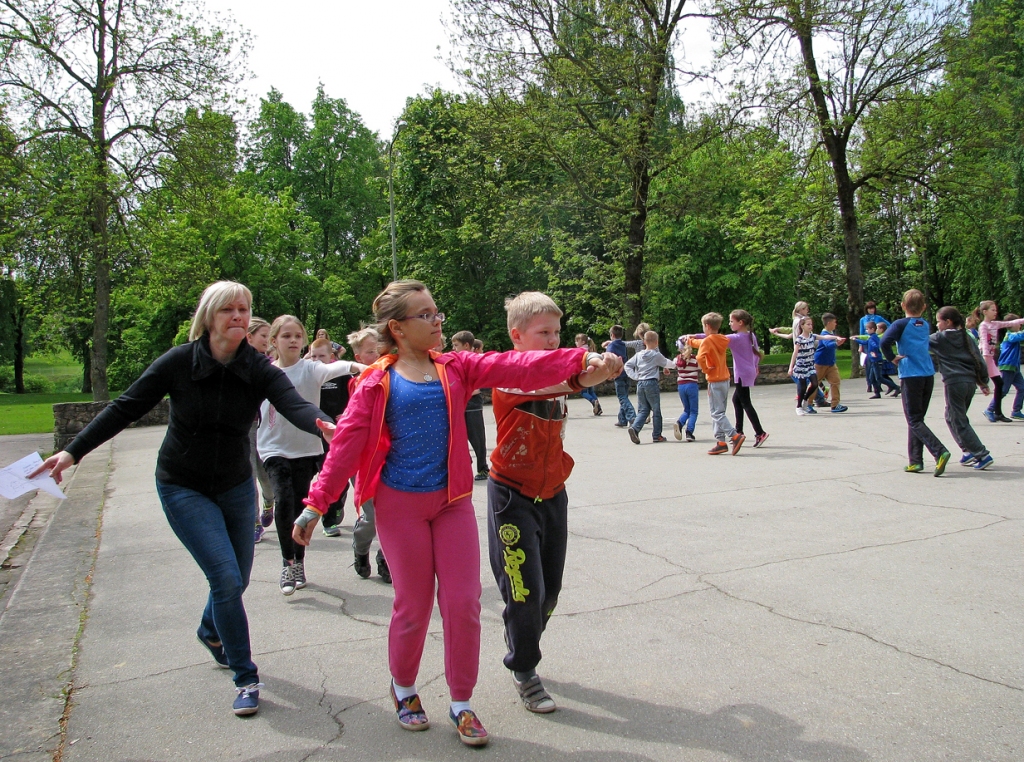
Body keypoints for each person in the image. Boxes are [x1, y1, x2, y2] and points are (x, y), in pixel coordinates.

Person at [292, 280, 619, 747]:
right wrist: (315, 504)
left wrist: (579, 360)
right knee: (414, 605)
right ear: (397, 328)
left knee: (464, 605)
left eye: (437, 312)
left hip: (452, 504)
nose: (437, 321)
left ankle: (462, 702)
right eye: (425, 315)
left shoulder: (456, 367)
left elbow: (517, 364)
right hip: (401, 508)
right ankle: (404, 688)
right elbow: (345, 446)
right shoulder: (377, 381)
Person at [30, 281, 338, 717]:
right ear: (209, 316)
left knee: (236, 581)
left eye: (244, 308)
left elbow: (293, 403)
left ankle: (210, 630)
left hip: (235, 485)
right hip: (183, 485)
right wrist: (72, 452)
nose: (238, 316)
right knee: (226, 580)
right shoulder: (179, 361)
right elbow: (125, 406)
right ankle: (245, 676)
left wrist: (323, 424)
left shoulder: (257, 366)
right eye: (228, 309)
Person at [486, 291, 622, 715]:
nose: (552, 340)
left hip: (552, 494)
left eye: (556, 332)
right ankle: (524, 667)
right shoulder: (509, 374)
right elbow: (569, 377)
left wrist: (603, 364)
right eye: (543, 332)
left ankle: (520, 636)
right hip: (512, 495)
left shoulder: (557, 365)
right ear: (516, 336)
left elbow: (573, 372)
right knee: (525, 593)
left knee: (549, 595)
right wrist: (590, 365)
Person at [257, 316, 363, 595]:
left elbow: (338, 367)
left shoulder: (311, 368)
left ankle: (299, 561)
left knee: (299, 507)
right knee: (284, 500)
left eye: (297, 336)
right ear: (274, 341)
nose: (293, 340)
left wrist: (363, 367)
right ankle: (288, 562)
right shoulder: (264, 372)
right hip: (272, 448)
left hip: (305, 449)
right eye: (286, 336)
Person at [880, 289, 951, 475]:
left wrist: (892, 358)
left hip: (911, 375)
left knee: (913, 419)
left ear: (903, 305)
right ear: (924, 307)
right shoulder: (925, 324)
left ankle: (939, 451)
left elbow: (884, 342)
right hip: (927, 374)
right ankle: (915, 461)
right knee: (917, 419)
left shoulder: (900, 324)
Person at [345, 326, 391, 583]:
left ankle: (386, 558)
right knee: (372, 516)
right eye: (370, 352)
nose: (377, 356)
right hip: (364, 460)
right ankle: (361, 548)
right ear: (358, 358)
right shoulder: (359, 382)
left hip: (392, 457)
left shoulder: (396, 375)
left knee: (393, 513)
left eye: (379, 350)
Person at [930, 306, 994, 470]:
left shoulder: (940, 338)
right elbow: (979, 360)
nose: (937, 325)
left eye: (938, 321)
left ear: (948, 322)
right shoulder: (967, 337)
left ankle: (982, 454)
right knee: (951, 416)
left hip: (954, 383)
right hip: (970, 383)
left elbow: (918, 342)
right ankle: (967, 451)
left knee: (959, 420)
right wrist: (983, 382)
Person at [308, 338, 351, 537]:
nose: (317, 360)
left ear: (331, 356)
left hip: (336, 432)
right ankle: (328, 520)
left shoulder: (341, 374)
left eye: (321, 356)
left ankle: (338, 503)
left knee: (338, 478)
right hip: (313, 431)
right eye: (313, 356)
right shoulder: (307, 374)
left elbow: (354, 396)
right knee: (323, 475)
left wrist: (347, 412)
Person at [685, 313, 744, 455]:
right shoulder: (722, 338)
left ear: (707, 326)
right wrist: (690, 341)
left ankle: (734, 435)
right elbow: (703, 343)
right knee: (720, 411)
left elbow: (700, 356)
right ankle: (720, 442)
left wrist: (706, 369)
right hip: (725, 379)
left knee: (716, 413)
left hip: (714, 380)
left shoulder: (708, 341)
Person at [770, 317, 838, 415]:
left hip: (810, 366)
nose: (810, 326)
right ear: (802, 326)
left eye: (811, 324)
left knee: (815, 384)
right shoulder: (799, 339)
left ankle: (805, 401)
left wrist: (836, 338)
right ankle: (799, 407)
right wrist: (790, 367)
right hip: (801, 366)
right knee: (802, 387)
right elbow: (795, 353)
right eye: (808, 324)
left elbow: (825, 337)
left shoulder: (812, 336)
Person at [246, 317, 276, 543]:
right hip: (246, 426)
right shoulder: (239, 362)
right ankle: (254, 521)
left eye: (269, 335)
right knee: (249, 473)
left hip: (266, 426)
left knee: (265, 474)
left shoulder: (270, 364)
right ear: (249, 337)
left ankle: (269, 499)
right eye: (263, 335)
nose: (267, 340)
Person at [973, 301, 1024, 422]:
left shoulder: (995, 324)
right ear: (985, 312)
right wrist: (986, 359)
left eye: (996, 310)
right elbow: (984, 342)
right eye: (993, 310)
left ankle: (1010, 411)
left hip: (1008, 365)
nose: (995, 312)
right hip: (997, 362)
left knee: (1011, 387)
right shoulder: (986, 327)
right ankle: (990, 409)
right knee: (1002, 388)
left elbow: (1011, 322)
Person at [725, 310, 768, 446]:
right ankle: (739, 432)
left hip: (742, 374)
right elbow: (756, 353)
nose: (729, 323)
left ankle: (760, 432)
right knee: (736, 400)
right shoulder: (750, 335)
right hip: (748, 371)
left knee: (746, 403)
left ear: (740, 322)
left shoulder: (736, 338)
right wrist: (755, 366)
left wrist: (693, 336)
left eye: (731, 321)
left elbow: (713, 338)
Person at [624, 330, 674, 443]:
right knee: (656, 410)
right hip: (651, 383)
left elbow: (627, 365)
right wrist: (677, 364)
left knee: (643, 409)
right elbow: (667, 363)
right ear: (657, 342)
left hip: (640, 383)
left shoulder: (638, 355)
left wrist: (635, 376)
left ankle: (635, 428)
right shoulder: (656, 355)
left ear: (644, 342)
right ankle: (657, 435)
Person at [452, 330, 489, 480]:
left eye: (456, 345)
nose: (453, 348)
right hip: (460, 406)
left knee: (477, 439)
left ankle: (483, 469)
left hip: (473, 405)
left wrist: (464, 391)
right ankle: (464, 468)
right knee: (459, 441)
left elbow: (479, 386)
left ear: (466, 345)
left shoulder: (475, 361)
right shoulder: (456, 362)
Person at [853, 321, 899, 398]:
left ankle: (896, 387)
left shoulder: (874, 337)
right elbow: (865, 342)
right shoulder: (871, 337)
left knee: (879, 378)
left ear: (872, 329)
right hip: (873, 360)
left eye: (867, 329)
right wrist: (856, 340)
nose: (866, 330)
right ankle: (877, 393)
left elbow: (876, 345)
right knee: (872, 378)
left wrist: (874, 352)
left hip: (877, 360)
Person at [812, 313, 848, 413]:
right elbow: (828, 345)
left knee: (835, 382)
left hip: (831, 363)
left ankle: (835, 405)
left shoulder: (831, 334)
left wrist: (836, 341)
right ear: (829, 323)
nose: (836, 324)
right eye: (834, 322)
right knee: (814, 384)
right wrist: (836, 343)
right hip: (820, 363)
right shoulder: (824, 334)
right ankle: (807, 404)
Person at [605, 325, 636, 427]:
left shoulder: (611, 346)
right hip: (626, 372)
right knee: (624, 396)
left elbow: (608, 359)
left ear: (612, 335)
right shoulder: (623, 344)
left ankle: (632, 416)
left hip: (618, 374)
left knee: (622, 397)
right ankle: (622, 419)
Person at [995, 316, 1024, 421]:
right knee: (1003, 390)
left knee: (1022, 388)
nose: (1020, 325)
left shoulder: (1015, 335)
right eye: (1018, 323)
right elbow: (1018, 336)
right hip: (1007, 366)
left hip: (1014, 368)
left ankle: (1016, 411)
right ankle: (990, 409)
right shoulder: (1009, 335)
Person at [859, 301, 890, 388]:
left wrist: (883, 335)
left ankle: (877, 385)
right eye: (869, 308)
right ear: (866, 309)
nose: (871, 310)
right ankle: (869, 384)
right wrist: (860, 346)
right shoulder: (863, 319)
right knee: (868, 364)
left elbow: (888, 325)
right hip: (866, 343)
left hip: (875, 341)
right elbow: (861, 332)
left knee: (875, 362)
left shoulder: (878, 318)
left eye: (873, 308)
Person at [673, 339, 699, 442]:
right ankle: (689, 432)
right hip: (692, 385)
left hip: (681, 386)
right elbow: (702, 367)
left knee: (686, 409)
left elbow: (672, 365)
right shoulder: (695, 359)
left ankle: (679, 423)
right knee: (693, 411)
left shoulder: (677, 359)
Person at [575, 334, 603, 415]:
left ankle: (593, 401)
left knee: (583, 392)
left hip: (584, 374)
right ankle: (598, 408)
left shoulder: (580, 351)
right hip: (592, 373)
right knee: (591, 391)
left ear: (583, 342)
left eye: (577, 341)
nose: (576, 342)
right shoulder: (590, 349)